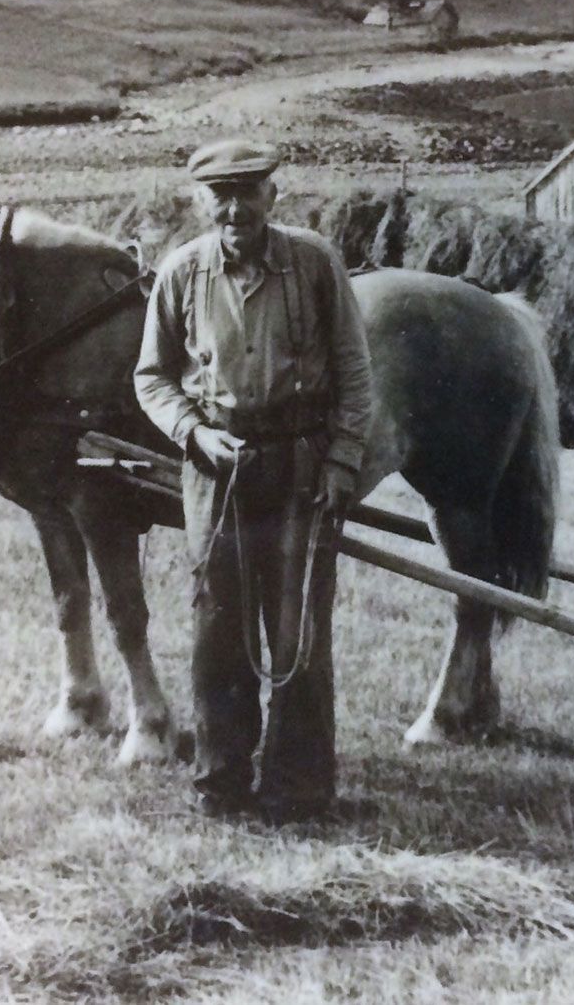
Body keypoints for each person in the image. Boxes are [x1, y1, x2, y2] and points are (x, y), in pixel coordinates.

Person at [134, 138, 373, 823]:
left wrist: (341, 461)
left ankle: (298, 789)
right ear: (201, 201)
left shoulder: (315, 264)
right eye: (220, 194)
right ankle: (222, 782)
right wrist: (195, 432)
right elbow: (151, 377)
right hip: (217, 472)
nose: (234, 207)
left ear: (274, 195)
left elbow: (355, 373)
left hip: (301, 465)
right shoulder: (182, 273)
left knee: (296, 633)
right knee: (218, 629)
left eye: (248, 191)